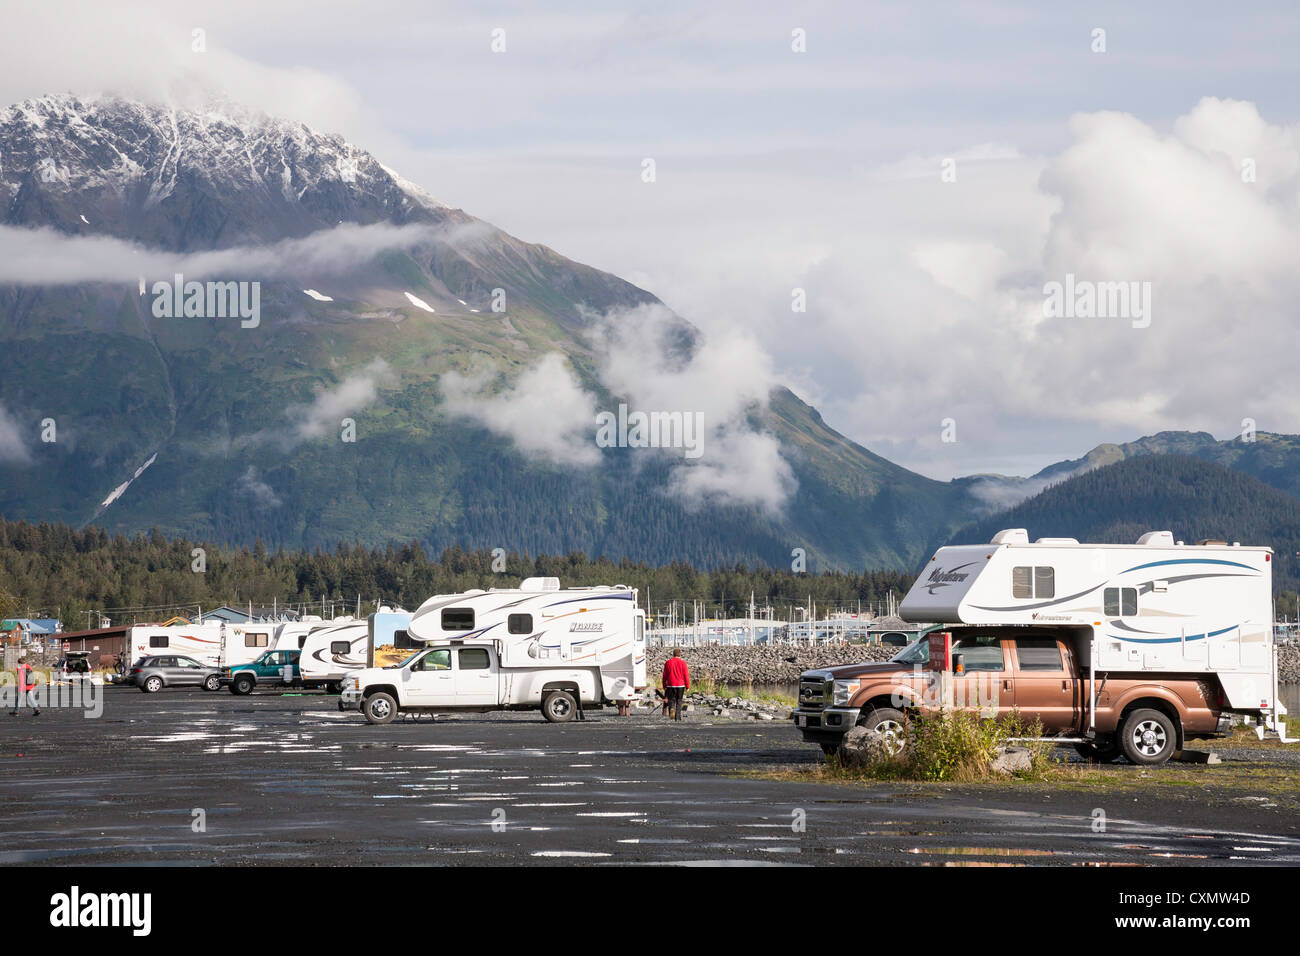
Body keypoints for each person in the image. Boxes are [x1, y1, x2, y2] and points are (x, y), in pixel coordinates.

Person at [662, 648, 689, 721]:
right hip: (680, 685)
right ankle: (677, 717)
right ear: (680, 655)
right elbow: (686, 675)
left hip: (670, 684)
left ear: (673, 654)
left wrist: (664, 685)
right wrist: (687, 686)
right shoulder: (683, 663)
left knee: (671, 700)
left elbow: (664, 675)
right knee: (679, 700)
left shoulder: (668, 663)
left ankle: (672, 709)